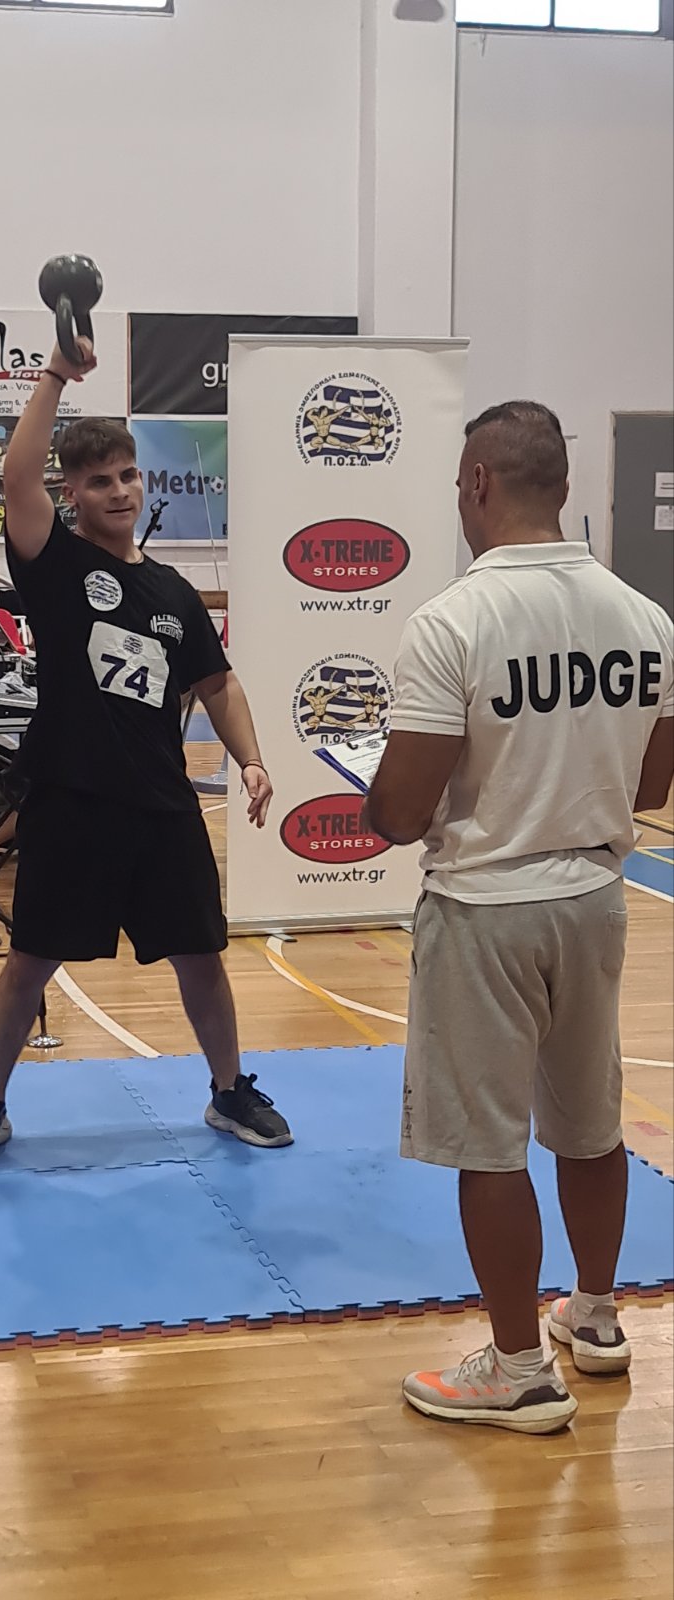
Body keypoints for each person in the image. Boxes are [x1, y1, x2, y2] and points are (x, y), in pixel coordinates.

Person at [362, 401, 674, 1435]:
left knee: (489, 1146)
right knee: (589, 1124)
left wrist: (373, 792)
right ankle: (595, 1314)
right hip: (593, 900)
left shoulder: (453, 621)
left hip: (485, 907)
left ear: (479, 482)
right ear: (564, 487)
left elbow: (401, 811)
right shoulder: (644, 617)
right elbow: (653, 785)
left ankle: (518, 1370)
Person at [0, 334, 292, 1165]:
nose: (120, 491)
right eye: (99, 480)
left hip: (162, 807)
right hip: (71, 800)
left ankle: (228, 1090)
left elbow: (219, 685)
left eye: (128, 475)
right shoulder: (53, 563)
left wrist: (250, 758)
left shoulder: (172, 593)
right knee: (29, 962)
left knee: (202, 957)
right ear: (72, 492)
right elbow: (14, 479)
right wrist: (56, 374)